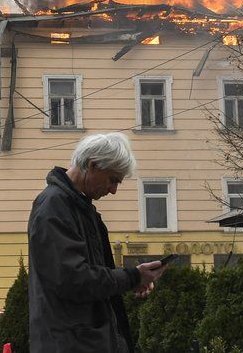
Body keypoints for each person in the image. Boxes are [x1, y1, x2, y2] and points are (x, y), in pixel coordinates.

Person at [27, 132, 165, 353]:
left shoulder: (78, 209)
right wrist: (132, 277)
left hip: (81, 341)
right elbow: (74, 280)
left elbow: (88, 277)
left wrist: (132, 280)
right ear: (92, 165)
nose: (113, 190)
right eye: (113, 179)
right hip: (71, 344)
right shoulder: (54, 207)